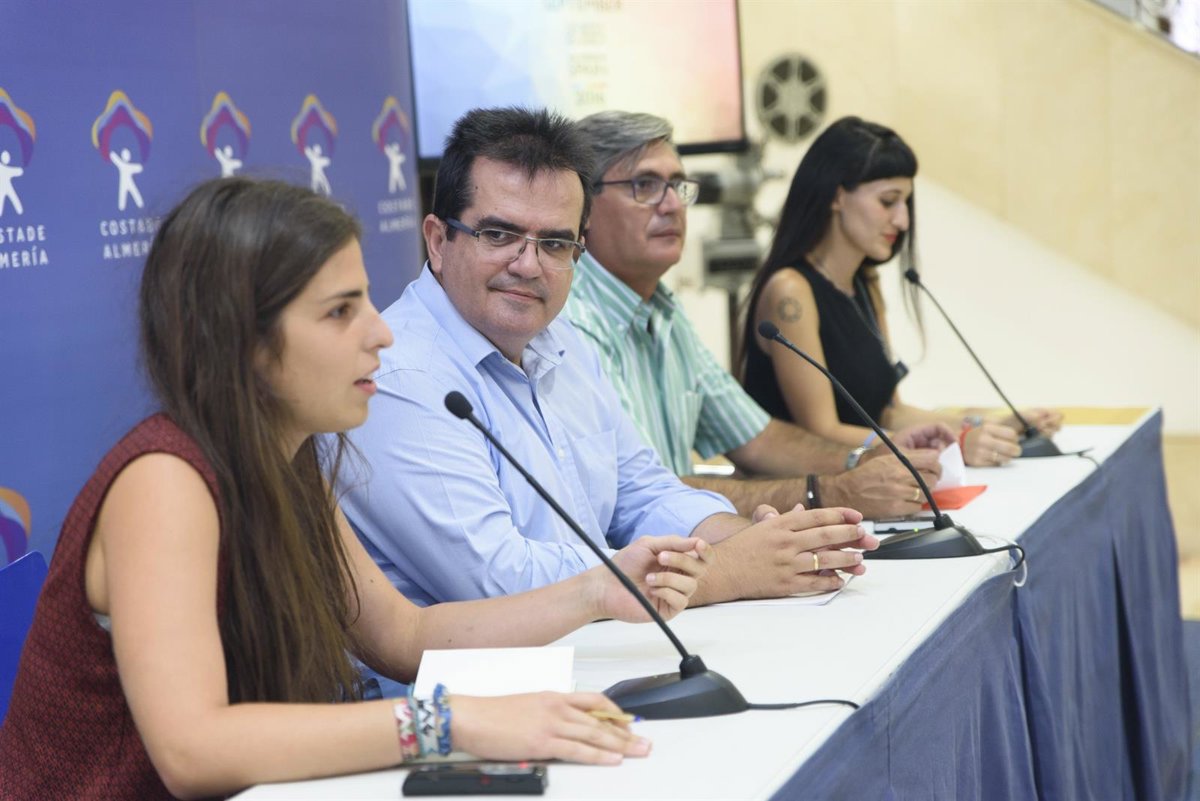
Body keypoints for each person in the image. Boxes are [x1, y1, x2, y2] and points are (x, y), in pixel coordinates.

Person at [0, 177, 717, 800]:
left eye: (367, 301)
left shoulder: (286, 459)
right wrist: (451, 723)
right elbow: (193, 750)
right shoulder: (165, 481)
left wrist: (596, 590)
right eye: (340, 311)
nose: (381, 334)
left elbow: (403, 637)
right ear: (243, 338)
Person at [341, 107, 877, 616]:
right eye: (499, 235)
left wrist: (757, 540)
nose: (528, 265)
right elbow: (498, 580)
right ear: (438, 241)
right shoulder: (399, 377)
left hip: (590, 651)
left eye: (555, 244)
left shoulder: (561, 341)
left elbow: (640, 492)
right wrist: (727, 569)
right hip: (477, 677)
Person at [565, 110, 954, 519]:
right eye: (644, 185)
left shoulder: (665, 311)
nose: (673, 205)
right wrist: (834, 491)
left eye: (678, 185)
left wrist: (866, 458)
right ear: (583, 206)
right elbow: (641, 492)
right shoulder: (573, 321)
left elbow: (759, 439)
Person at [739, 116, 1061, 467]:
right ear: (837, 196)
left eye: (905, 203)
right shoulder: (790, 293)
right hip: (804, 488)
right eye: (888, 201)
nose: (902, 220)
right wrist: (947, 445)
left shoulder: (866, 283)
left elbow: (890, 412)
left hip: (867, 479)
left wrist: (987, 426)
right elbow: (821, 430)